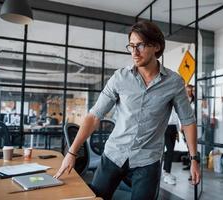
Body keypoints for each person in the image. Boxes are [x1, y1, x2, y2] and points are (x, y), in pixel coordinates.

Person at [54, 20, 200, 200]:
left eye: (140, 45)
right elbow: (94, 116)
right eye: (131, 46)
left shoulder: (174, 82)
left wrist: (194, 159)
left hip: (148, 161)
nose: (134, 52)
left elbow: (188, 121)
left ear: (156, 46)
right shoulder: (119, 78)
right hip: (114, 154)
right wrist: (71, 153)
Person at [162, 108, 180, 185]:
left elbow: (176, 117)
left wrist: (177, 131)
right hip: (166, 128)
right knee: (170, 151)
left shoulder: (175, 105)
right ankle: (166, 175)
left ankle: (166, 171)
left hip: (174, 128)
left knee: (171, 150)